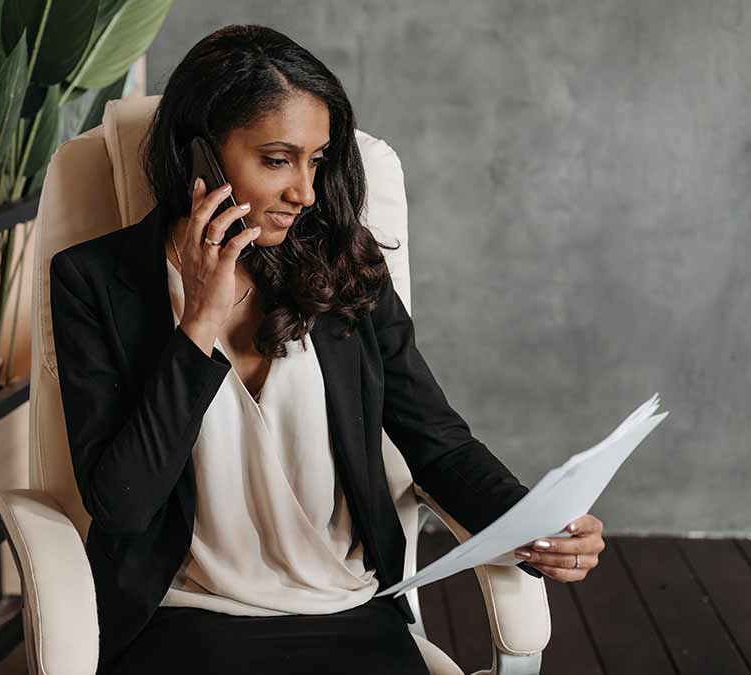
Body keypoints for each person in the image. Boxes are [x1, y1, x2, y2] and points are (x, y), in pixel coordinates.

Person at [48, 24, 606, 675]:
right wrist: (197, 323)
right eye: (278, 159)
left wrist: (534, 523)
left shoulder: (344, 267)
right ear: (199, 156)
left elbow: (439, 442)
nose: (306, 193)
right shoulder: (92, 281)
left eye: (316, 161)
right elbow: (122, 503)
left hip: (344, 609)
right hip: (180, 617)